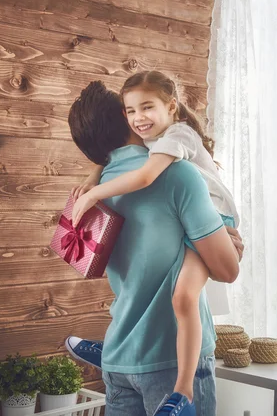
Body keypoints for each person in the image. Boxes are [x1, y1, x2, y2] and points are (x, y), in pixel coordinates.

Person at [66, 80, 243, 416]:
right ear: (124, 119)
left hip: (119, 358)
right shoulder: (178, 175)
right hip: (171, 362)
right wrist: (227, 242)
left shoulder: (103, 183)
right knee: (185, 297)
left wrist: (92, 184)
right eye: (130, 110)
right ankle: (184, 393)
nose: (138, 116)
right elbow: (227, 270)